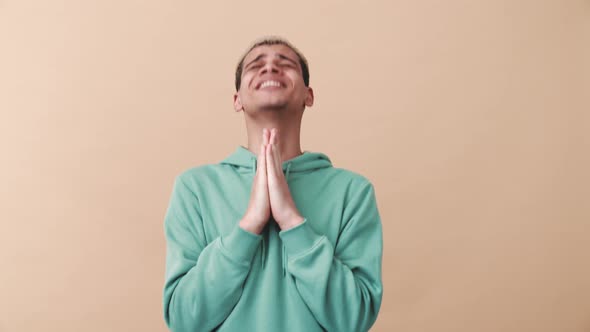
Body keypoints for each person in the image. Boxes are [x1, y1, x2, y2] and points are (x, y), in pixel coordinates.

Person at [162, 36, 383, 332]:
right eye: (256, 65)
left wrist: (292, 221)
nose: (270, 68)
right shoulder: (195, 189)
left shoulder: (353, 192)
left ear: (309, 94)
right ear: (237, 99)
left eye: (285, 63)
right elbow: (184, 320)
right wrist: (249, 225)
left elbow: (353, 319)